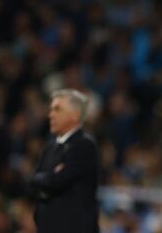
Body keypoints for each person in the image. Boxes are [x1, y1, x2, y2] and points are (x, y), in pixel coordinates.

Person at [29, 89, 99, 233]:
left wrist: (45, 179)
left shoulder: (84, 145)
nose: (50, 115)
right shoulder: (50, 146)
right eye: (51, 109)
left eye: (57, 109)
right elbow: (35, 180)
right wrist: (46, 178)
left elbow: (57, 181)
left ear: (75, 115)